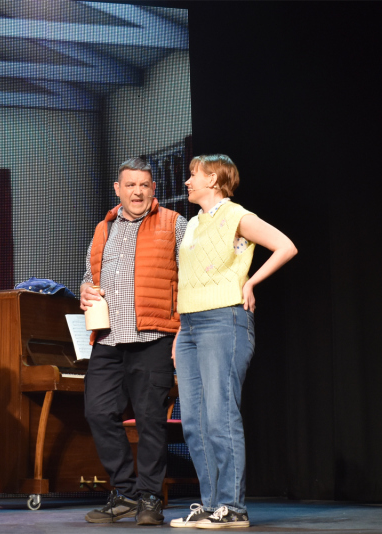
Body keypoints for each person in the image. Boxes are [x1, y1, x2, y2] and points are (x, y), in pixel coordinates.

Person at [172, 154, 296, 529]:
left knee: (219, 416)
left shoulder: (236, 215)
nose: (188, 181)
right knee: (193, 422)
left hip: (223, 319)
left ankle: (233, 506)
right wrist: (180, 331)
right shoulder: (194, 224)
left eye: (193, 175)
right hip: (190, 325)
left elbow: (285, 245)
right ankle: (212, 505)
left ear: (213, 179)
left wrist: (251, 282)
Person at [79, 157, 186, 526]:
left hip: (154, 336)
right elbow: (89, 274)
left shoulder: (174, 223)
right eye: (130, 185)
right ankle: (124, 492)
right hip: (109, 338)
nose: (137, 192)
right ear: (118, 189)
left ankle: (150, 498)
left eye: (144, 185)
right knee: (97, 411)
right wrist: (85, 290)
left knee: (150, 420)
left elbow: (190, 278)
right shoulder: (104, 228)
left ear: (153, 188)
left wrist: (183, 329)